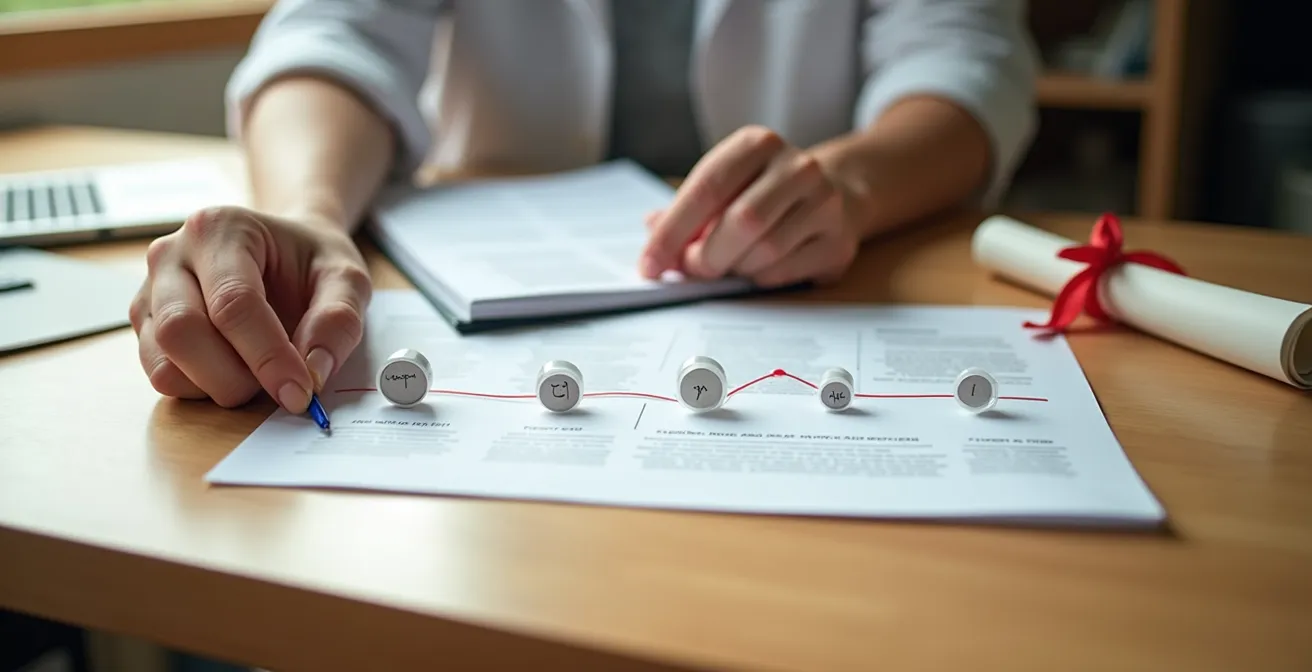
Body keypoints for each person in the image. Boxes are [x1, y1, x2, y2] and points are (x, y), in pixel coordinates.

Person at [129, 0, 1039, 415]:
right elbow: (334, 31)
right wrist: (310, 211)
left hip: (808, 285)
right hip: (488, 278)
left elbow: (966, 56)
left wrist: (855, 182)